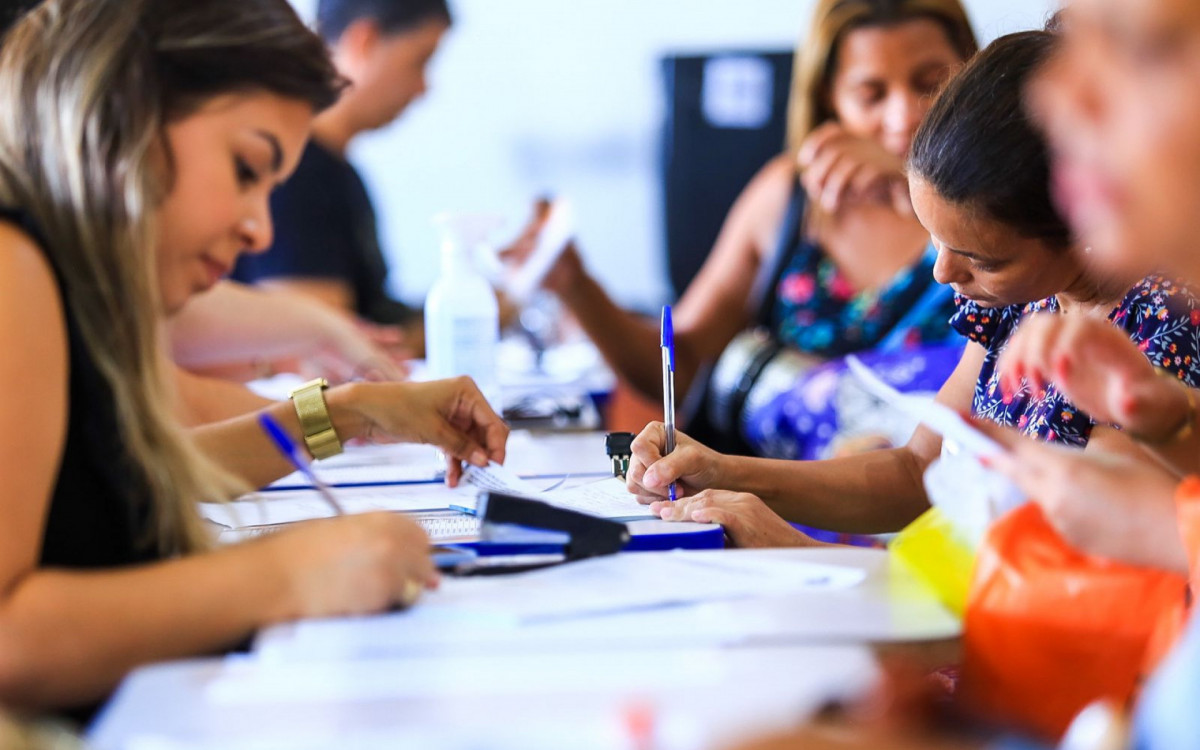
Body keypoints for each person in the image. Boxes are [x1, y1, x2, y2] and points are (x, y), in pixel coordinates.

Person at [0, 0, 507, 716]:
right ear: (125, 116)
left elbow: (153, 477)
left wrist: (354, 411)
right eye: (246, 169)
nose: (259, 228)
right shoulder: (11, 265)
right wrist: (285, 575)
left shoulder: (64, 279)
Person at [623, 29, 1200, 547]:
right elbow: (917, 471)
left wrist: (793, 549)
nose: (942, 274)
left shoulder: (1157, 335)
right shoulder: (1020, 299)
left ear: (1080, 219)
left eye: (979, 257)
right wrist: (723, 472)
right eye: (934, 240)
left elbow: (1066, 586)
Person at [506, 0, 978, 457]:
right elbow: (680, 367)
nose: (904, 115)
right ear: (828, 98)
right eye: (871, 94)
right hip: (783, 513)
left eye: (931, 81)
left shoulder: (1012, 205)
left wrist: (915, 184)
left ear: (974, 73)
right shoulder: (785, 200)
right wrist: (576, 286)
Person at [229, 0, 452, 355]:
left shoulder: (340, 173)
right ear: (364, 41)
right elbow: (319, 354)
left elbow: (366, 318)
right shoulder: (300, 173)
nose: (424, 87)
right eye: (420, 60)